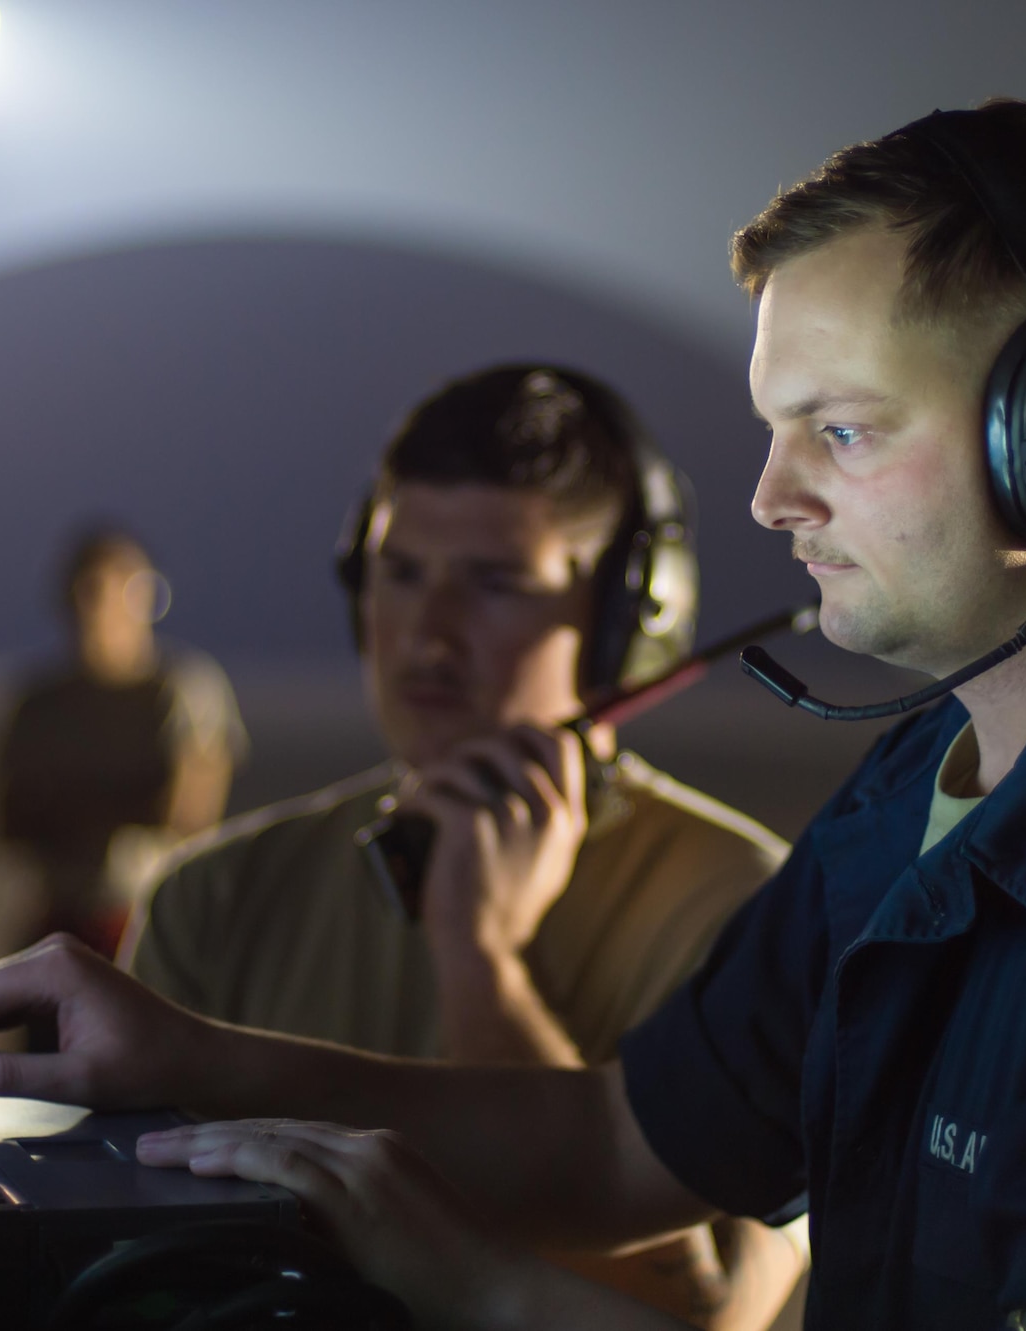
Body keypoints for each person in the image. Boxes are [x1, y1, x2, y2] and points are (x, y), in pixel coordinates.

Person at [0, 101, 1026, 1330]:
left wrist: (487, 1289)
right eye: (773, 427)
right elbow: (617, 1141)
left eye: (844, 429)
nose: (773, 494)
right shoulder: (917, 798)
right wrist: (190, 1052)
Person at [117, 364, 805, 1329]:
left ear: (629, 620)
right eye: (400, 574)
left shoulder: (753, 908)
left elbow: (690, 1308)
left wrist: (482, 963)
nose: (425, 636)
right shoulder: (216, 898)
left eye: (495, 583)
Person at [0, 528, 246, 962]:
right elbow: (6, 819)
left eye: (119, 592)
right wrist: (130, 798)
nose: (101, 611)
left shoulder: (183, 691)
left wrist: (65, 804)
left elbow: (189, 812)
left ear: (149, 597)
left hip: (151, 922)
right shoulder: (39, 703)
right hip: (61, 925)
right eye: (89, 593)